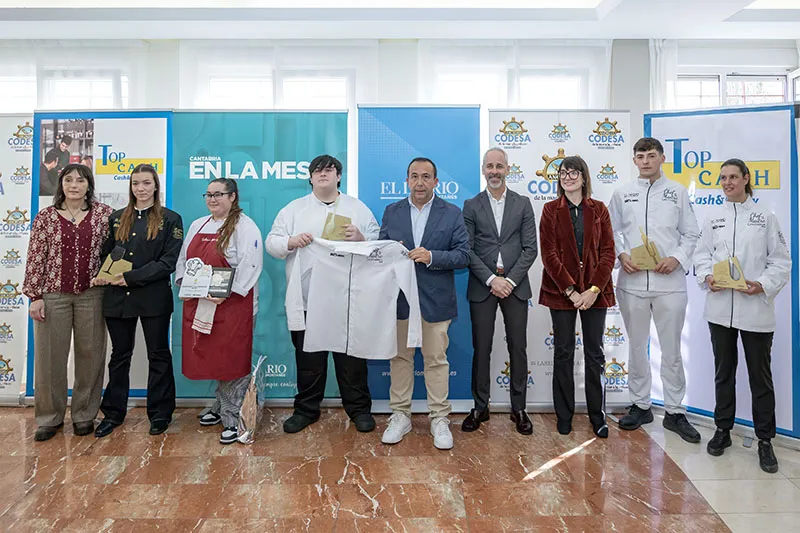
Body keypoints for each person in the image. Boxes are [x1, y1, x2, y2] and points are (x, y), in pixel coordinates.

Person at [266, 154, 380, 434]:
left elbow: (378, 244)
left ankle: (359, 409)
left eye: (329, 170)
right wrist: (291, 242)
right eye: (317, 171)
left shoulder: (358, 208)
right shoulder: (294, 210)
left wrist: (361, 239)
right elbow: (272, 242)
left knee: (351, 360)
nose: (322, 174)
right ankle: (306, 409)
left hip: (347, 299)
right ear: (310, 177)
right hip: (307, 300)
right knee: (308, 362)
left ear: (338, 176)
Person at [694, 159, 790, 474]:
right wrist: (707, 276)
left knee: (760, 378)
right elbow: (701, 254)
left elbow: (781, 260)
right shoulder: (713, 217)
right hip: (720, 309)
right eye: (723, 178)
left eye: (733, 177)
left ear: (746, 179)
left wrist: (762, 284)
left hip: (755, 309)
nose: (727, 182)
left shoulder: (765, 218)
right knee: (724, 373)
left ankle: (765, 440)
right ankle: (723, 430)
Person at [608, 137, 701, 443]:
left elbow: (691, 233)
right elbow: (613, 232)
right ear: (634, 160)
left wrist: (678, 258)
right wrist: (622, 255)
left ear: (662, 158)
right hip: (632, 283)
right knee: (636, 347)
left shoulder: (677, 193)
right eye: (640, 156)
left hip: (669, 284)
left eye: (651, 155)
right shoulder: (623, 194)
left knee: (672, 350)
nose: (645, 161)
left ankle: (675, 411)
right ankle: (640, 404)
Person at [379, 157, 470, 450]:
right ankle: (400, 415)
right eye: (414, 176)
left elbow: (463, 256)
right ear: (407, 180)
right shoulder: (392, 212)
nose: (420, 182)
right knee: (401, 359)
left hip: (436, 300)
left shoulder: (452, 213)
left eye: (426, 177)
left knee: (435, 360)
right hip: (400, 300)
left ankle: (439, 418)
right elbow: (380, 253)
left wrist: (432, 257)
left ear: (436, 182)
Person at [22, 164, 113, 441]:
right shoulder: (45, 218)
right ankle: (49, 418)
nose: (74, 185)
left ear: (89, 185)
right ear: (60, 184)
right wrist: (35, 296)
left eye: (81, 180)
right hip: (53, 295)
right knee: (50, 358)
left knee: (91, 356)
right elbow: (36, 257)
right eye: (69, 180)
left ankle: (84, 414)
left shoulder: (104, 215)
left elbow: (115, 253)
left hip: (93, 295)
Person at [92, 164, 183, 438]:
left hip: (153, 297)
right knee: (119, 357)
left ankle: (160, 414)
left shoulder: (171, 219)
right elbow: (107, 255)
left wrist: (131, 278)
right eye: (135, 184)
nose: (140, 188)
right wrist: (104, 275)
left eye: (146, 183)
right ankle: (113, 414)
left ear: (156, 186)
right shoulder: (117, 218)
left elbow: (168, 262)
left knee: (158, 355)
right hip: (118, 299)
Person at [176, 178, 263, 445]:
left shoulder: (246, 227)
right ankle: (220, 405)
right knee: (213, 358)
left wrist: (227, 293)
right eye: (209, 194)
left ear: (233, 197)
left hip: (234, 305)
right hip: (202, 302)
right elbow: (183, 261)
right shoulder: (197, 225)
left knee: (231, 362)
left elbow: (251, 265)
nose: (212, 199)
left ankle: (233, 417)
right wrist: (183, 282)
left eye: (219, 194)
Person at [461, 147, 538, 435]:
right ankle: (480, 407)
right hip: (483, 287)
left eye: (499, 166)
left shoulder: (523, 203)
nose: (494, 171)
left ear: (508, 168)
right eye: (489, 166)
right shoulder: (470, 205)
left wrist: (509, 281)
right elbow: (466, 249)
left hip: (515, 287)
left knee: (518, 347)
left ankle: (519, 408)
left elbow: (531, 249)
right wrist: (492, 279)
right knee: (482, 348)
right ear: (483, 170)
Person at [539, 156, 615, 437]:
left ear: (584, 176)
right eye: (562, 172)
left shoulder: (599, 209)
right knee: (563, 352)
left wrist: (593, 290)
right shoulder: (549, 210)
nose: (567, 177)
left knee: (595, 355)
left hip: (596, 293)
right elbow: (548, 255)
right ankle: (564, 415)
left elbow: (608, 252)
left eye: (573, 172)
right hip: (561, 293)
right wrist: (571, 291)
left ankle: (598, 416)